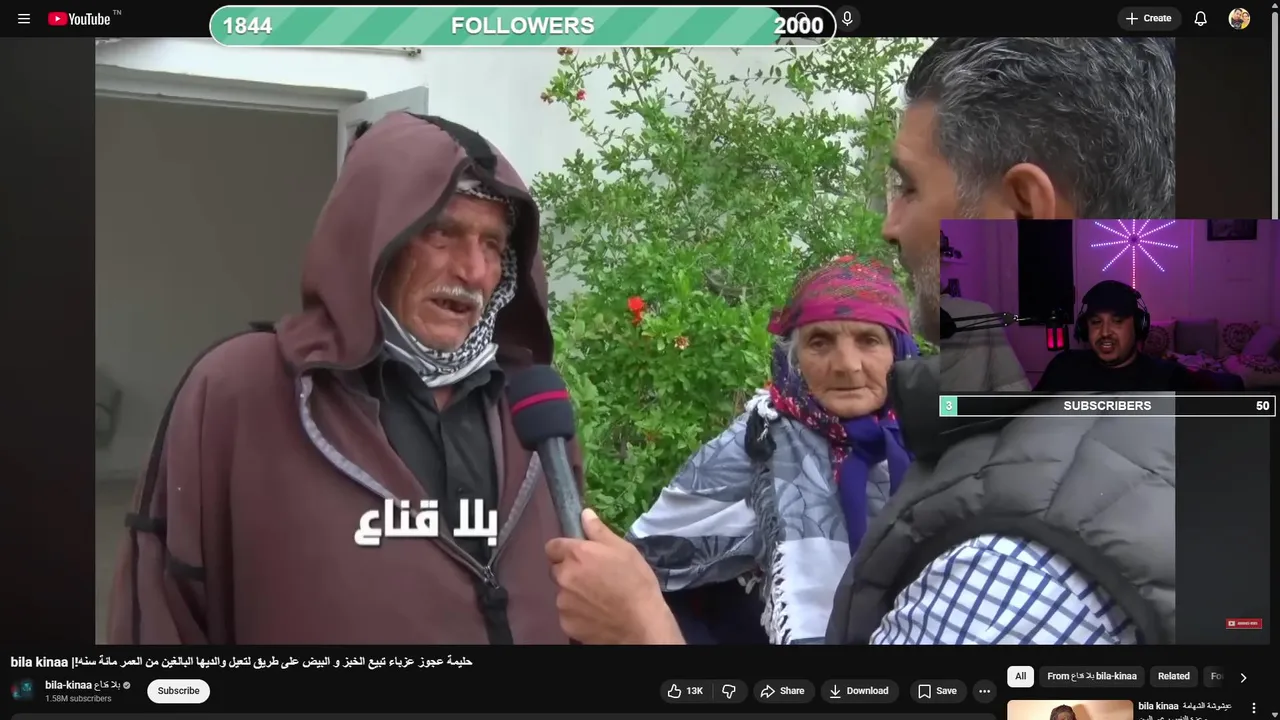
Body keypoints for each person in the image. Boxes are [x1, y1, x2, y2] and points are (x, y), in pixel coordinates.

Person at [544, 37, 1176, 645]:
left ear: (1025, 213)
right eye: (819, 342)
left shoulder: (1010, 572)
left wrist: (641, 633)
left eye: (910, 187)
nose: (890, 225)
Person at [107, 112, 580, 644]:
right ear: (373, 242)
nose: (472, 270)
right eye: (441, 233)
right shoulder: (240, 390)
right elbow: (164, 609)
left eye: (492, 245)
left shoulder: (530, 404)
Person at [621, 259, 918, 645]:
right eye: (820, 342)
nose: (847, 365)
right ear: (794, 359)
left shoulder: (930, 433)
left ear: (899, 351)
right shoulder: (759, 442)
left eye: (869, 340)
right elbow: (642, 568)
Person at [1036, 280, 1210, 391]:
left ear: (1138, 326)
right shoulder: (1063, 367)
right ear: (1084, 327)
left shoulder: (1170, 378)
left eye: (1117, 321)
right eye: (1096, 322)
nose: (1105, 332)